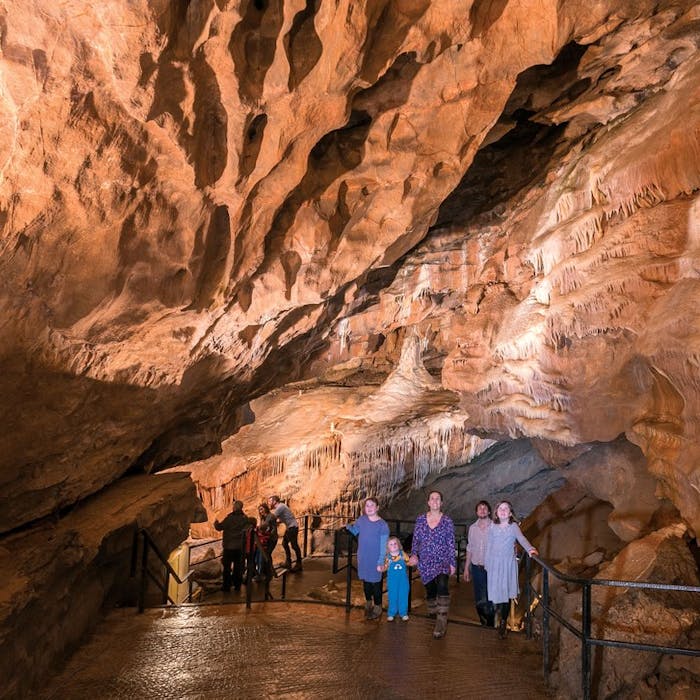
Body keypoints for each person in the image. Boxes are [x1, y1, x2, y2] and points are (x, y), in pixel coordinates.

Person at [485, 500, 538, 639]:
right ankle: (498, 614)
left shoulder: (513, 526)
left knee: (506, 593)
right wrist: (487, 563)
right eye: (500, 508)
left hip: (507, 564)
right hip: (495, 564)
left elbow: (521, 538)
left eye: (506, 508)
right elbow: (489, 545)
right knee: (496, 591)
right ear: (496, 512)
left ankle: (503, 621)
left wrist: (530, 549)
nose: (503, 510)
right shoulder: (492, 526)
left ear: (510, 513)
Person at [408, 490, 456, 639]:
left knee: (442, 585)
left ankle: (441, 621)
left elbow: (451, 542)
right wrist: (414, 554)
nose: (435, 501)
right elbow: (416, 539)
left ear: (441, 503)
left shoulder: (447, 521)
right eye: (432, 499)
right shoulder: (421, 520)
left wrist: (452, 563)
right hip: (426, 560)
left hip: (443, 560)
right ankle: (432, 609)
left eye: (438, 499)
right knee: (430, 589)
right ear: (428, 502)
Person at [345, 497, 390, 620]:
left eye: (372, 505)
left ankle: (378, 606)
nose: (369, 508)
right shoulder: (361, 520)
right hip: (363, 556)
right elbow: (356, 531)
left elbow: (384, 545)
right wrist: (349, 527)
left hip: (376, 558)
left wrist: (381, 561)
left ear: (377, 507)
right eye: (367, 506)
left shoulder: (383, 525)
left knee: (376, 583)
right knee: (366, 582)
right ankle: (368, 602)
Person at [463, 500, 495, 627]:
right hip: (477, 567)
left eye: (484, 508)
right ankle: (483, 622)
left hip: (492, 568)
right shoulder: (472, 528)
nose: (482, 510)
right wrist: (466, 568)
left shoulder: (495, 527)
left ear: (489, 511)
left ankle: (491, 624)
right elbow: (470, 548)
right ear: (476, 512)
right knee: (479, 597)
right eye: (479, 508)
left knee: (490, 596)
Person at [214, 500, 256, 592]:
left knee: (227, 567)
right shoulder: (244, 518)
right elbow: (250, 526)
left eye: (233, 506)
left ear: (235, 507)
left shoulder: (229, 518)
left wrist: (216, 523)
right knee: (238, 567)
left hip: (229, 547)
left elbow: (219, 527)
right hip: (240, 547)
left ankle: (227, 586)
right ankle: (237, 585)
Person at [267, 495, 303, 572]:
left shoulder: (280, 507)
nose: (269, 503)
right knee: (285, 543)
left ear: (274, 501)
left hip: (292, 528)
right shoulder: (281, 506)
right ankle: (288, 562)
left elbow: (271, 518)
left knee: (294, 545)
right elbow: (282, 518)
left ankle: (299, 564)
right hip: (290, 527)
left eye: (270, 501)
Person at [378, 536, 410, 622]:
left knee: (403, 595)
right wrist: (381, 568)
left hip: (403, 580)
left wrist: (414, 562)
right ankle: (391, 613)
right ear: (388, 547)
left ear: (399, 545)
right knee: (392, 596)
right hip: (392, 581)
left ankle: (403, 613)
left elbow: (409, 562)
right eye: (391, 544)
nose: (394, 545)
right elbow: (385, 567)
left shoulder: (403, 554)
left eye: (395, 543)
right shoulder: (387, 558)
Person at [254, 502, 277, 582]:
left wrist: (268, 534)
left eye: (261, 509)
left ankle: (269, 573)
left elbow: (270, 527)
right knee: (266, 554)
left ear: (265, 508)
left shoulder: (270, 516)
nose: (260, 511)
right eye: (259, 510)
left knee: (266, 554)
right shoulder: (263, 517)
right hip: (266, 538)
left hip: (271, 539)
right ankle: (268, 572)